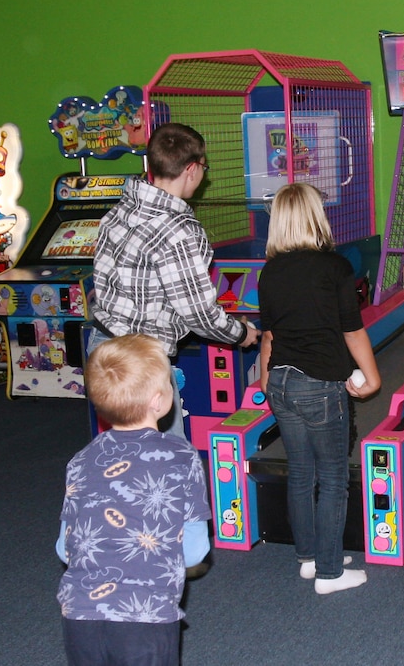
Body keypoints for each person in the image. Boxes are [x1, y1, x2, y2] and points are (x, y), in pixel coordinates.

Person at [90, 122, 260, 440]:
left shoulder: (120, 209)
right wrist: (241, 334)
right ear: (192, 169)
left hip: (102, 348)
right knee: (164, 456)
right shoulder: (179, 230)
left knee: (123, 451)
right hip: (139, 361)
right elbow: (198, 313)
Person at [56, 333, 211, 666]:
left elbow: (63, 548)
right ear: (158, 401)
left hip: (79, 613)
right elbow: (195, 551)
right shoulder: (182, 457)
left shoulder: (81, 460)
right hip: (147, 615)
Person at [257, 182, 381, 595]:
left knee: (301, 473)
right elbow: (353, 331)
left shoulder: (270, 271)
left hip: (282, 382)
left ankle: (310, 558)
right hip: (319, 385)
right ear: (316, 217)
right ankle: (330, 573)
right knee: (331, 478)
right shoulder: (334, 267)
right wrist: (372, 374)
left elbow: (270, 334)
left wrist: (265, 374)